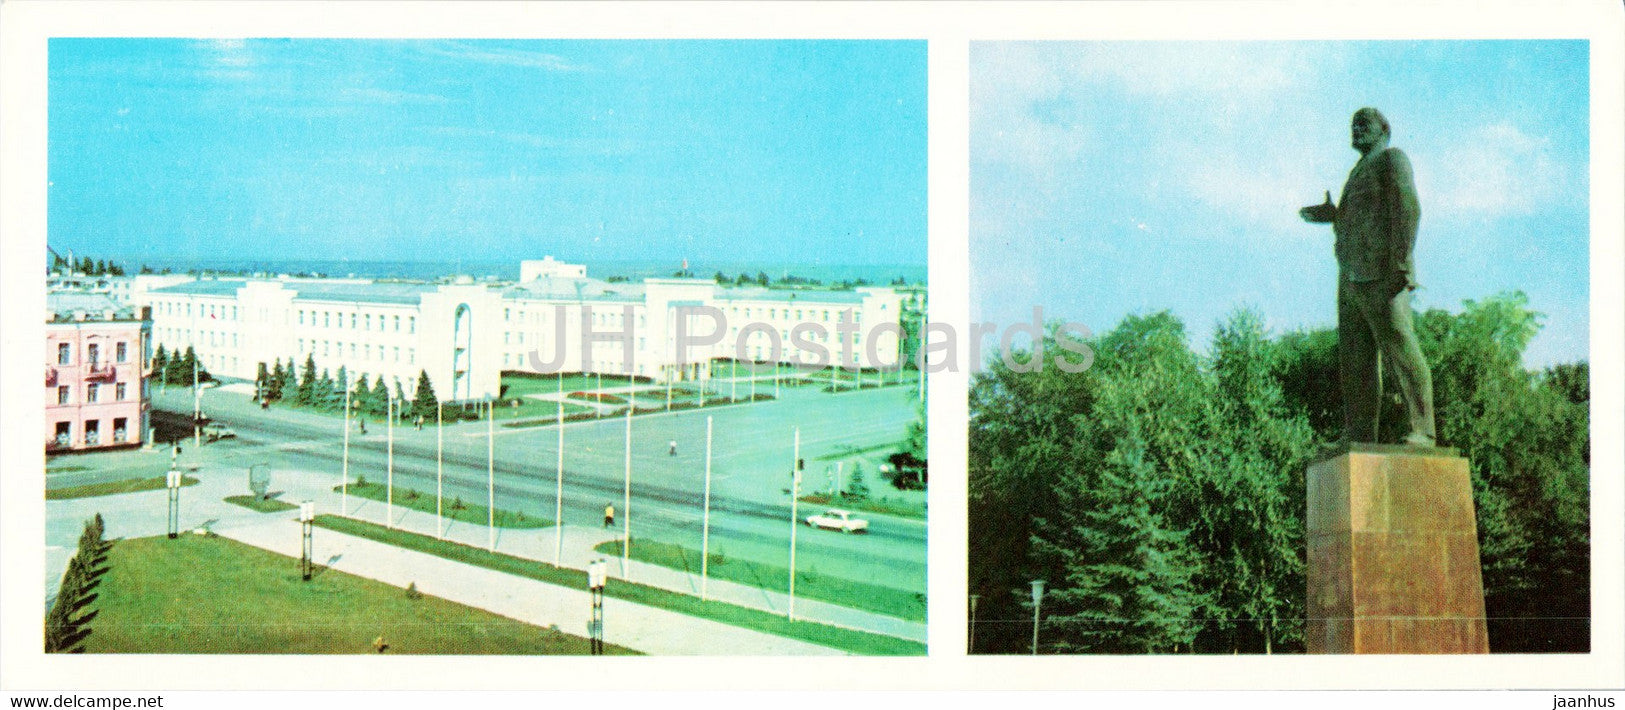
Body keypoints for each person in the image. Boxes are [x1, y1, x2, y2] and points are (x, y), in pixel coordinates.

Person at [1300, 107, 1436, 446]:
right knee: (1355, 361)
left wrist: (1402, 264)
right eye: (1353, 124)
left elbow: (1409, 207)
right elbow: (1361, 217)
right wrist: (1333, 215)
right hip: (1350, 276)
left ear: (1384, 129)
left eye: (1364, 124)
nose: (1356, 129)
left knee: (1400, 347)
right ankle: (1360, 437)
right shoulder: (1357, 171)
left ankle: (1423, 429)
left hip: (1383, 273)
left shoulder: (1392, 159)